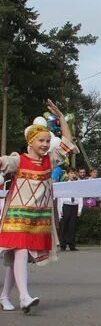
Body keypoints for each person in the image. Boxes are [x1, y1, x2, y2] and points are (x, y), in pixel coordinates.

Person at [0, 99, 76, 313]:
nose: (44, 144)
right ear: (30, 142)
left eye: (46, 140)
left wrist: (61, 118)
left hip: (38, 219)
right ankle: (24, 297)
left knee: (17, 258)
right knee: (22, 252)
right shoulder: (18, 161)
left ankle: (5, 296)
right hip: (16, 217)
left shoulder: (49, 161)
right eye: (40, 140)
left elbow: (67, 143)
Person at [57, 169, 82, 252]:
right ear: (68, 174)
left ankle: (72, 245)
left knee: (72, 226)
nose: (73, 175)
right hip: (66, 205)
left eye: (74, 173)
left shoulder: (78, 185)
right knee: (64, 226)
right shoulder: (64, 185)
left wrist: (80, 209)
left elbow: (80, 197)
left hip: (74, 205)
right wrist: (60, 211)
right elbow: (60, 199)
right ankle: (63, 245)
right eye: (71, 173)